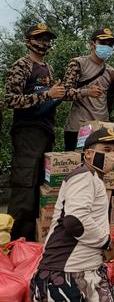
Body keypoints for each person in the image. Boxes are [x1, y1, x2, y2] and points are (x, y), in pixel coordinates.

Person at [31, 127, 114, 302]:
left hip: (83, 272)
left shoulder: (92, 177)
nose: (112, 155)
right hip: (67, 274)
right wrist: (106, 243)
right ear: (88, 154)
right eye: (106, 150)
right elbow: (75, 220)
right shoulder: (84, 176)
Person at [4, 23, 65, 241]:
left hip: (45, 131)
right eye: (39, 38)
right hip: (26, 131)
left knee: (40, 184)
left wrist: (56, 96)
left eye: (47, 39)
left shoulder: (48, 68)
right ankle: (13, 241)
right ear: (27, 41)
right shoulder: (21, 66)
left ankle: (30, 241)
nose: (43, 43)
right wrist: (47, 95)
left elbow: (48, 97)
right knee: (24, 184)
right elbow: (11, 100)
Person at [62, 28, 114, 151]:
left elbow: (112, 100)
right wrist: (86, 92)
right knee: (78, 168)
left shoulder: (110, 71)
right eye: (103, 43)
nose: (107, 47)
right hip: (78, 129)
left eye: (110, 44)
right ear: (92, 44)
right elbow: (63, 93)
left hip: (101, 129)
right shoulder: (78, 63)